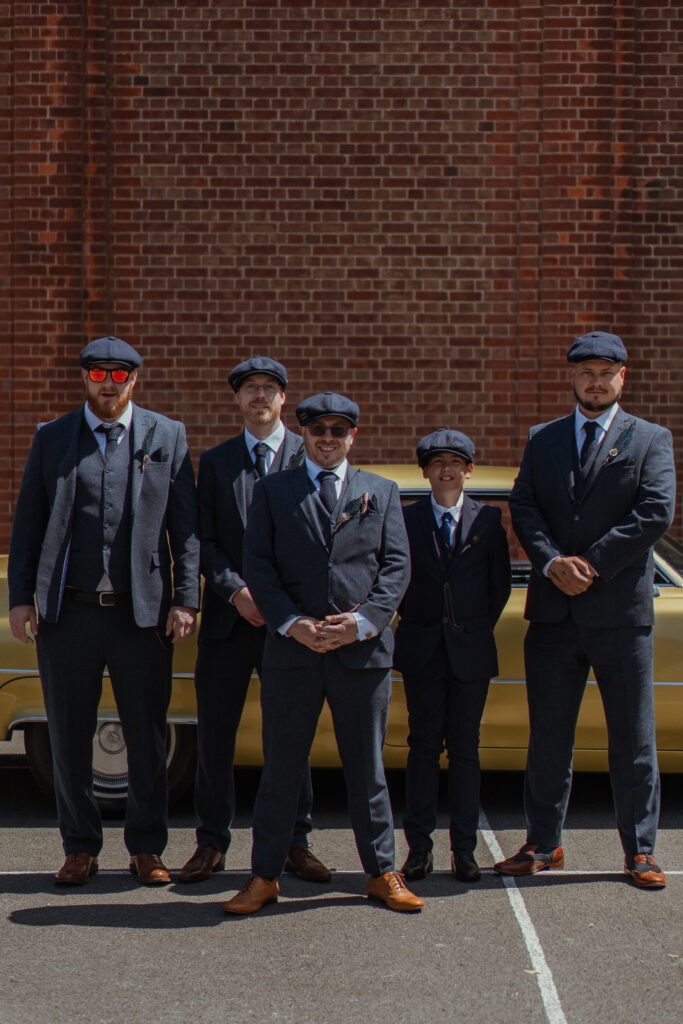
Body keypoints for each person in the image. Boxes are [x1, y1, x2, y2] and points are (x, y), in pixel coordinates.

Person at [8, 337, 200, 886]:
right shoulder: (53, 438)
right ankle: (80, 847)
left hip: (141, 614)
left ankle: (146, 847)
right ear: (85, 379)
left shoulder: (168, 436)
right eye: (98, 374)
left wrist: (186, 599)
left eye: (119, 375)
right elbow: (29, 523)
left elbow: (184, 532)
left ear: (133, 380)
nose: (108, 384)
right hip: (69, 613)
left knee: (147, 734)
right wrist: (23, 597)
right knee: (69, 733)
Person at [222, 392, 423, 914]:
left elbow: (396, 568)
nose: (328, 438)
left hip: (362, 654)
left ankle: (382, 872)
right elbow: (258, 566)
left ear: (353, 436)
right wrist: (292, 624)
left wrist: (359, 624)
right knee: (281, 770)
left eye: (339, 430)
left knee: (367, 770)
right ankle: (264, 876)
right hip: (293, 653)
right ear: (303, 432)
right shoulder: (272, 491)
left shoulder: (381, 491)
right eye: (318, 429)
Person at [495, 331, 675, 889]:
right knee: (549, 736)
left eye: (606, 372)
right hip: (553, 615)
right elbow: (523, 504)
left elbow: (655, 512)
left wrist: (589, 564)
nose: (596, 381)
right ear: (572, 377)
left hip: (620, 615)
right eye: (586, 372)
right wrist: (550, 563)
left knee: (633, 739)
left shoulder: (650, 439)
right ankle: (542, 844)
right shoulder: (544, 438)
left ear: (623, 378)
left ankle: (640, 852)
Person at [178, 356, 330, 884]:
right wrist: (236, 591)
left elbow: (319, 542)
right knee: (216, 737)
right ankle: (211, 843)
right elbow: (203, 540)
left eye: (270, 388)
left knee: (290, 735)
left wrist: (283, 605)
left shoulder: (307, 453)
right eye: (250, 389)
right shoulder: (217, 463)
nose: (260, 396)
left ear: (284, 399)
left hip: (290, 624)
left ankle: (296, 841)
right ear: (237, 400)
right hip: (229, 623)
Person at [395, 430, 511, 883]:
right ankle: (418, 850)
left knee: (465, 750)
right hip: (423, 650)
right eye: (438, 462)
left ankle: (465, 849)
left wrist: (470, 628)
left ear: (469, 470)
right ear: (425, 471)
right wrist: (423, 624)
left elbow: (497, 586)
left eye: (455, 462)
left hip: (470, 652)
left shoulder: (487, 520)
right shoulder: (408, 519)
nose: (447, 470)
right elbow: (397, 580)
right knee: (422, 748)